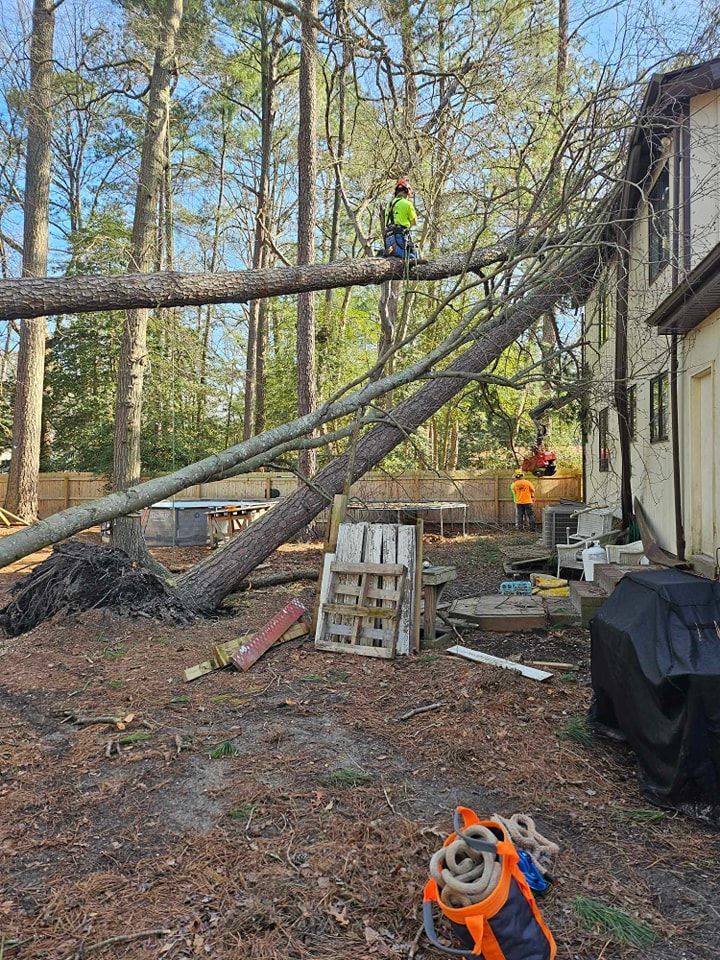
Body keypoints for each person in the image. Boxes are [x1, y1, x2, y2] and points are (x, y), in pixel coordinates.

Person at [383, 178, 418, 261]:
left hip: (388, 237)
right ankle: (395, 250)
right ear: (406, 191)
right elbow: (414, 222)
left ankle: (391, 251)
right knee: (413, 257)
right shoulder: (407, 203)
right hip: (400, 236)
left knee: (398, 257)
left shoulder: (389, 205)